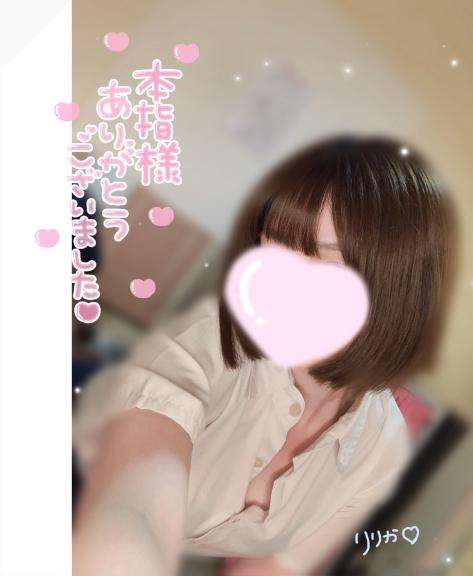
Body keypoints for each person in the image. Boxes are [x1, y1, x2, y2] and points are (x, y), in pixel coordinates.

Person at [72, 135, 453, 576]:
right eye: (270, 250)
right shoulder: (209, 343)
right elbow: (135, 507)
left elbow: (275, 568)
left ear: (398, 292)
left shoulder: (379, 449)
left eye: (325, 264)